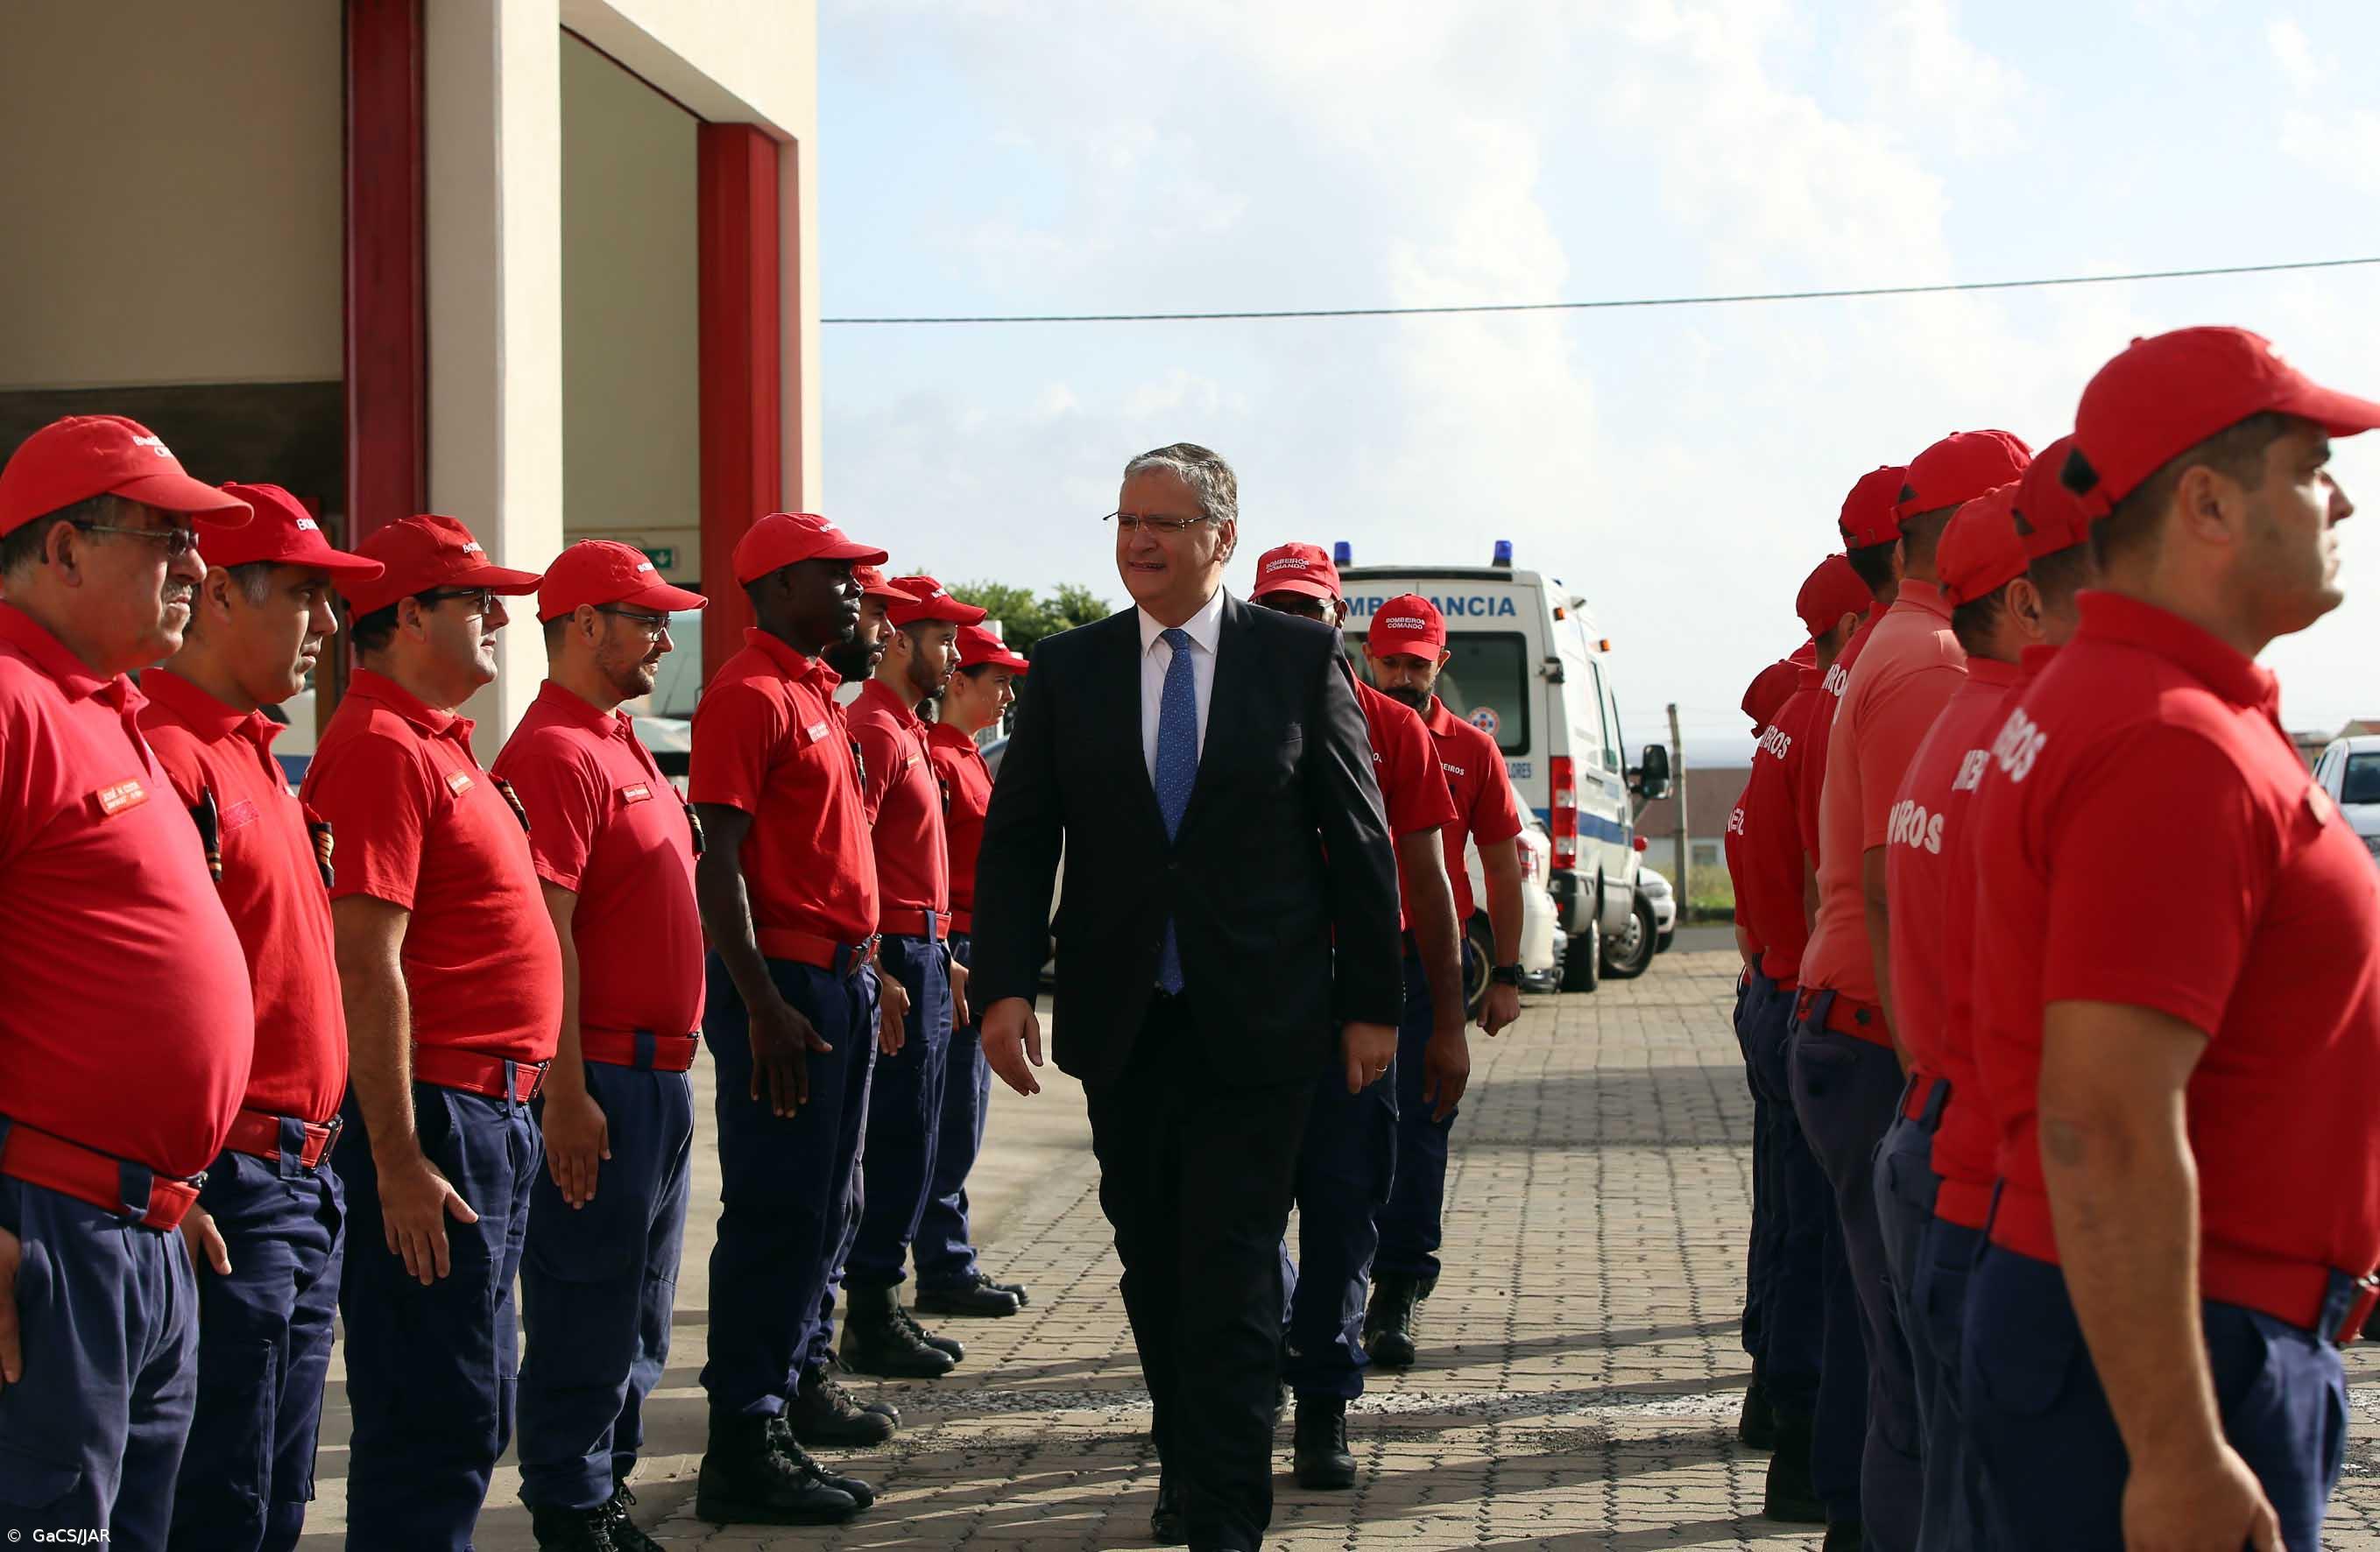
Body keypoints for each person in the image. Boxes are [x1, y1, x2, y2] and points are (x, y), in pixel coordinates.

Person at [1960, 328, 2380, 1549]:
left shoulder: (2121, 700)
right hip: (2181, 1342)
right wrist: (2179, 1450)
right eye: (2306, 469)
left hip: (2147, 1328)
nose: (2339, 496)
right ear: (2205, 502)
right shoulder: (2169, 743)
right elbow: (2105, 1118)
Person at [971, 443, 1402, 1552]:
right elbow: (1018, 844)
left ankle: (1224, 1511)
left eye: (1161, 521)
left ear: (1222, 536)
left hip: (1260, 1025)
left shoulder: (1298, 660)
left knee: (1231, 1263)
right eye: (1123, 520)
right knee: (1153, 1261)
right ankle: (1190, 1451)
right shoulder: (1069, 669)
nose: (1137, 541)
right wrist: (1006, 985)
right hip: (1125, 1024)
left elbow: (1360, 841)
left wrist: (1373, 1004)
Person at [0, 418, 255, 1542]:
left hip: (141, 1225)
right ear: (62, 550)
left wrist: (168, 1187)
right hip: (50, 1235)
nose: (198, 566)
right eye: (165, 537)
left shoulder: (109, 710)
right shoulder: (12, 698)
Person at [300, 513, 559, 1549]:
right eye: (472, 599)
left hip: (487, 1114)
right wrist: (401, 1154)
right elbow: (364, 961)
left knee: (468, 1401)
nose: (498, 615)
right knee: (433, 1409)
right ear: (408, 615)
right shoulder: (376, 748)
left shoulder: (432, 744)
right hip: (439, 1121)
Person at [1793, 431, 2027, 1552]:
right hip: (1885, 1036)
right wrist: (1937, 1074)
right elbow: (1902, 887)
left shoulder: (1898, 644)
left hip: (1863, 1027)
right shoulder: (1932, 658)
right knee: (1921, 1393)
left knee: (1894, 1362)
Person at [142, 482, 380, 1552]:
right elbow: (138, 994)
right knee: (218, 1499)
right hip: (227, 1183)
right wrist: (172, 1175)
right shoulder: (162, 752)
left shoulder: (255, 753)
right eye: (304, 592)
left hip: (301, 1177)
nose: (328, 625)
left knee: (278, 1494)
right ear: (221, 596)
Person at [1889, 448, 2097, 1548]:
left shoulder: (1960, 726)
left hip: (1939, 1137)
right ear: (2021, 602)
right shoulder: (2029, 741)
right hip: (1996, 1179)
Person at [493, 540, 710, 1552]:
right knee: (586, 1303)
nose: (665, 637)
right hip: (605, 1077)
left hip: (657, 1073)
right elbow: (546, 935)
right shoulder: (552, 751)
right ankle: (571, 1505)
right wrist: (564, 1092)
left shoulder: (615, 740)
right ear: (585, 625)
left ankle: (605, 1488)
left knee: (637, 1310)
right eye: (648, 619)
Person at [686, 511, 891, 1527]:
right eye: (836, 575)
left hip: (838, 982)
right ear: (773, 589)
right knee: (776, 1211)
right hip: (790, 993)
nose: (855, 591)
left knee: (828, 1205)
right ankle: (743, 1437)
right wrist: (760, 999)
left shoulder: (814, 692)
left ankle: (799, 1376)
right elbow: (714, 864)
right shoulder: (746, 694)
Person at [1248, 551, 1462, 1492]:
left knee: (1341, 1209)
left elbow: (1430, 884)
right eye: (1276, 608)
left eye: (1311, 609)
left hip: (1359, 1005)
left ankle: (1325, 1399)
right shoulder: (1217, 726)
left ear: (1342, 621)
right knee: (1237, 1217)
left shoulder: (1391, 730)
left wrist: (1444, 1021)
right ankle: (1236, 1398)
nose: (1295, 624)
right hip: (1245, 1004)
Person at [1735, 554, 1874, 1529]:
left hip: (1785, 985)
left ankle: (1783, 1416)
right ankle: (1803, 1436)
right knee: (1824, 1243)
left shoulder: (1801, 716)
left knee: (1795, 1224)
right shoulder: (1837, 708)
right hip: (1810, 991)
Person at [1361, 592, 1529, 1369]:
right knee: (1339, 1128)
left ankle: (1397, 1288)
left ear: (1440, 664)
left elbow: (1498, 862)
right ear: (1368, 655)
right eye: (1390, 661)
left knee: (1421, 1124)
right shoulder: (1341, 730)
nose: (1401, 676)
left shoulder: (1471, 750)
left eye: (1416, 664)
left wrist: (1507, 973)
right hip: (1341, 957)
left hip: (1428, 961)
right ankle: (1328, 1285)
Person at [1789, 470, 1905, 1546]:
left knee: (1846, 1287)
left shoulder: (1860, 669)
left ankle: (1825, 1493)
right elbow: (1886, 878)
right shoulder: (1913, 664)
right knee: (1889, 1334)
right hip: (1865, 1024)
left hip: (1825, 1006)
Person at [838, 574, 991, 1377]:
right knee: (893, 1141)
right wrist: (877, 965)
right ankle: (866, 1310)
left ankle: (881, 1301)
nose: (954, 653)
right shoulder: (870, 726)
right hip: (894, 952)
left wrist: (947, 960)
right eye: (940, 638)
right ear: (898, 640)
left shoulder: (903, 728)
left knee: (918, 1141)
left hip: (927, 951)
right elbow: (850, 856)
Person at [915, 623, 1035, 1319]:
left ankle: (948, 1256)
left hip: (970, 942)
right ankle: (941, 1263)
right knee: (949, 1117)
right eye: (997, 680)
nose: (1007, 695)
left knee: (962, 1114)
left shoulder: (965, 757)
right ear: (957, 682)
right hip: (953, 944)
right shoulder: (938, 756)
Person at [1720, 648, 1806, 1449]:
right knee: (1803, 1226)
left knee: (1781, 1213)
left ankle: (1768, 1377)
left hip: (1768, 991)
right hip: (1798, 996)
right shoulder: (1814, 724)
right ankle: (1788, 1399)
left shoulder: (1763, 773)